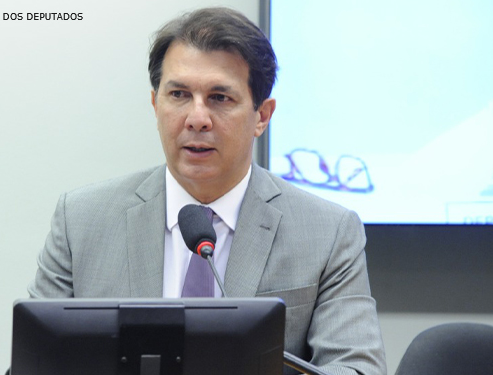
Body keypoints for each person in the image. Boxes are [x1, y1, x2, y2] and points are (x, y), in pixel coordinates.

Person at [28, 7, 386, 375]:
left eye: (220, 98)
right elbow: (35, 360)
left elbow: (356, 368)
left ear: (262, 116)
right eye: (179, 94)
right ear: (156, 105)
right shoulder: (82, 220)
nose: (197, 118)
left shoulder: (327, 232)